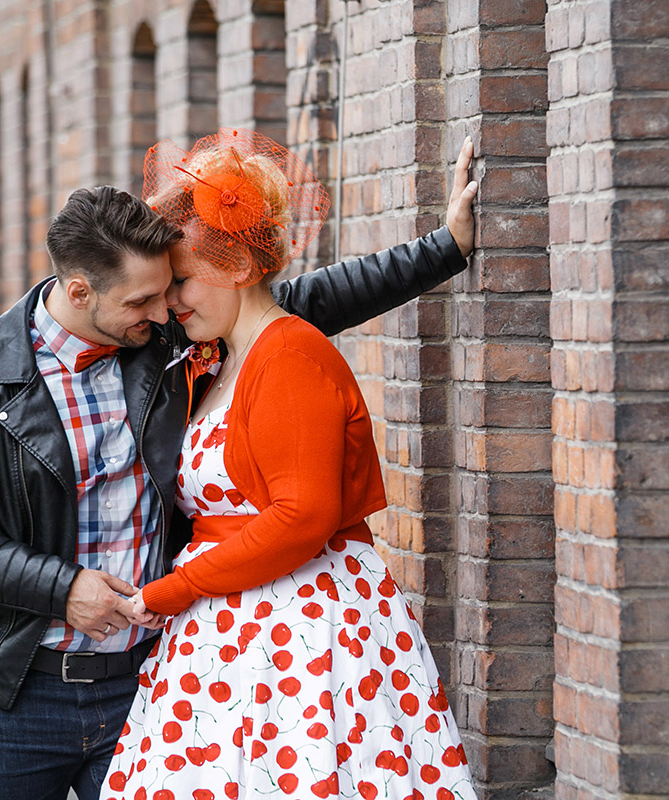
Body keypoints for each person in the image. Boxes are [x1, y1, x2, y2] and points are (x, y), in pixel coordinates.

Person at [0, 135, 478, 800]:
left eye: (169, 292)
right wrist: (62, 589)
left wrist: (446, 249)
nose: (162, 311)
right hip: (8, 699)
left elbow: (297, 306)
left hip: (144, 678)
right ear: (80, 290)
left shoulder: (169, 339)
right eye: (142, 302)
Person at [101, 128, 476, 800]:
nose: (170, 304)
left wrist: (169, 592)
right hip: (234, 631)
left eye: (182, 281)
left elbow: (303, 518)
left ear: (240, 267)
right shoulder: (213, 361)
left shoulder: (289, 355)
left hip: (300, 637)